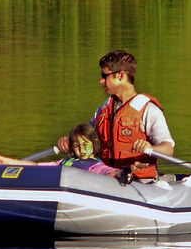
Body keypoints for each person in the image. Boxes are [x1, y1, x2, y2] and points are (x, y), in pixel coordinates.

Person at [57, 50, 175, 181]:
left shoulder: (148, 110)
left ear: (121, 76)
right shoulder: (103, 110)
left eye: (105, 76)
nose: (101, 81)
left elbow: (168, 149)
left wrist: (150, 148)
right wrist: (69, 142)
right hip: (106, 177)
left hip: (138, 181)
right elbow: (85, 140)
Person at [0, 124, 121, 176]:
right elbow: (36, 165)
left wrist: (118, 174)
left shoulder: (95, 165)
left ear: (94, 143)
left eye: (86, 145)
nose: (82, 150)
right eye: (77, 147)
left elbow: (107, 171)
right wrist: (5, 161)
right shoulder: (65, 162)